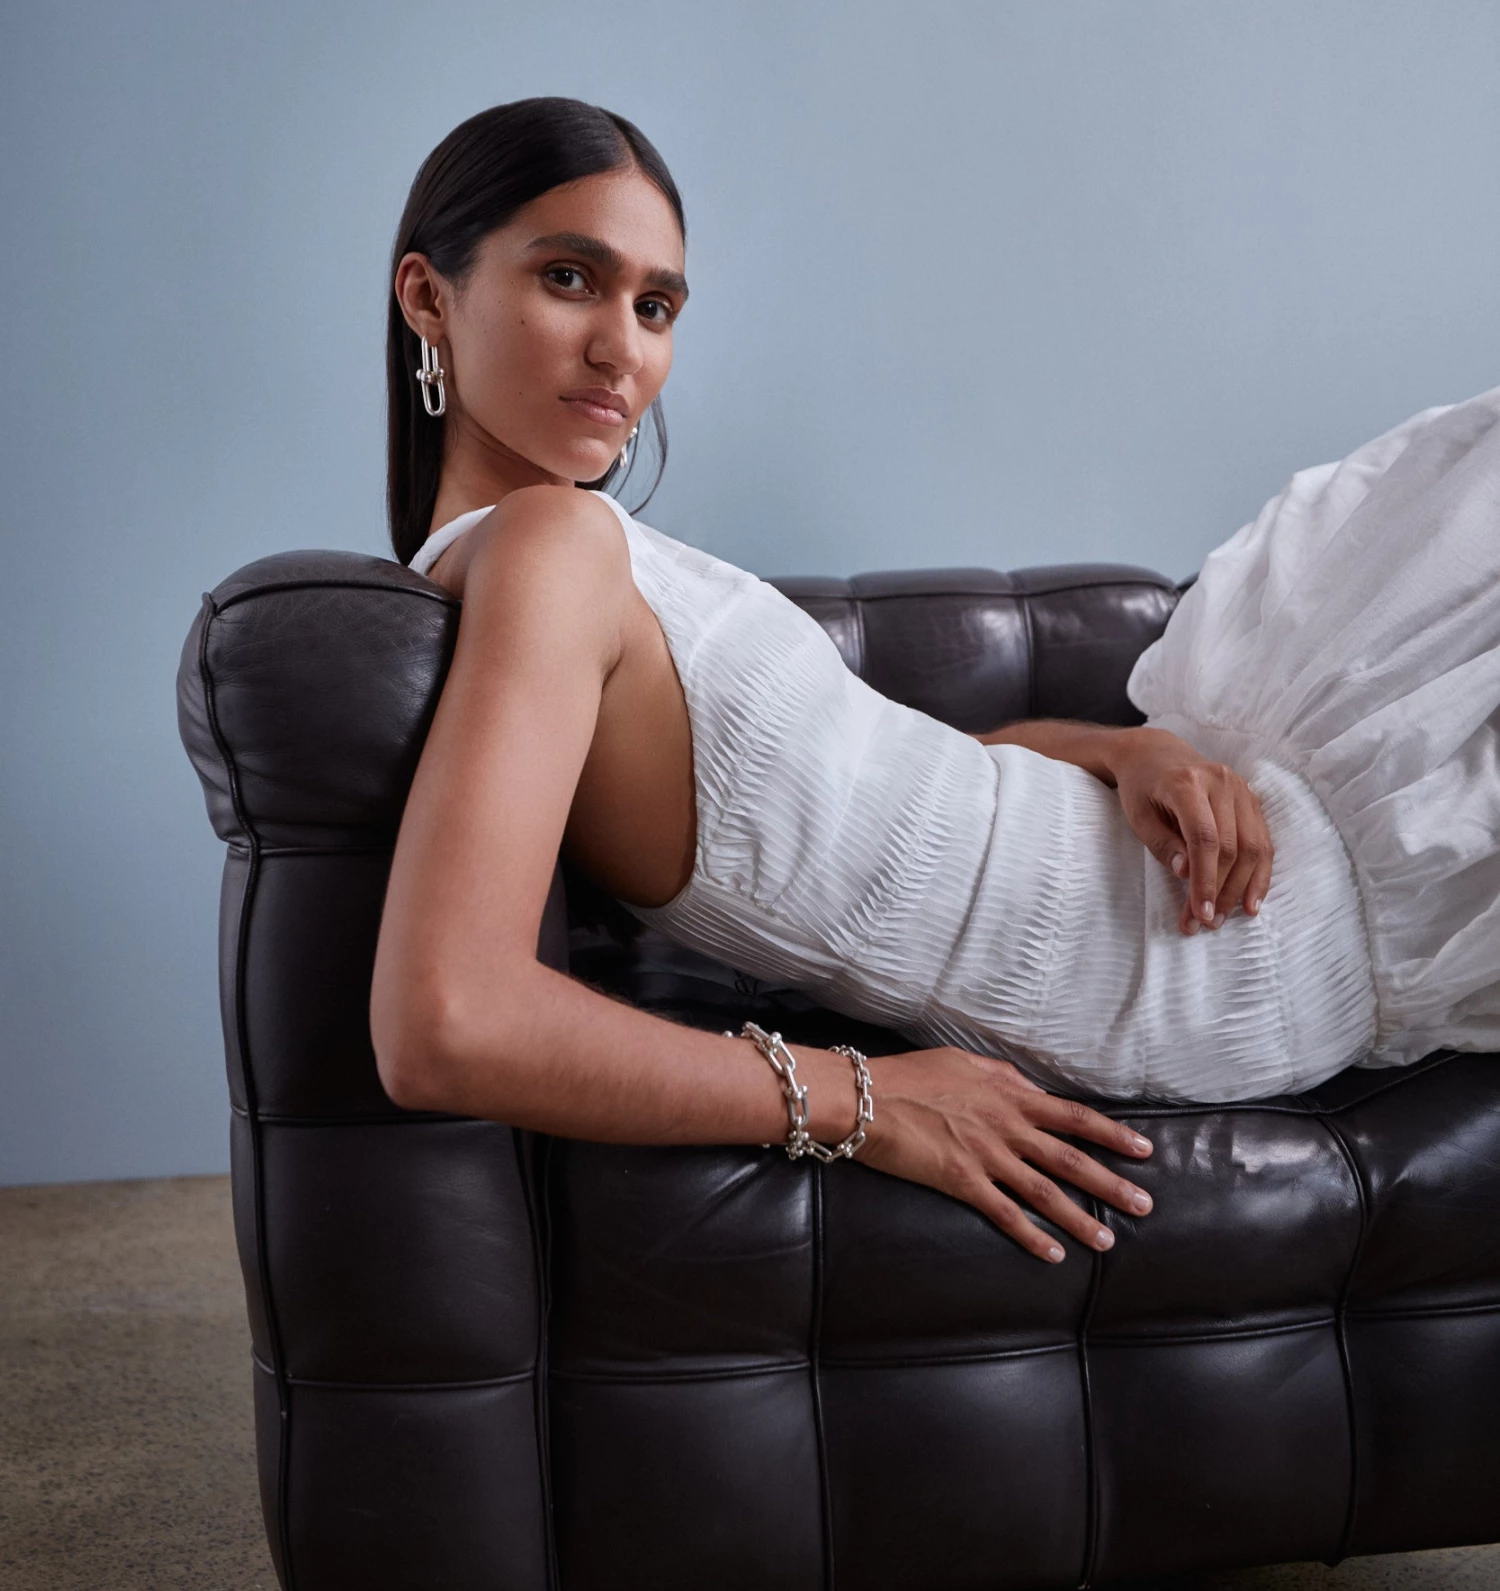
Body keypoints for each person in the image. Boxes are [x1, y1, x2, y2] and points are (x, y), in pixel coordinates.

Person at [370, 97, 1500, 1267]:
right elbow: (449, 1020)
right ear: (428, 297)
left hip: (1203, 861)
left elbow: (900, 803)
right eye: (570, 279)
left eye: (654, 307)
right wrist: (863, 1100)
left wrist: (1125, 751)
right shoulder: (545, 548)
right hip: (1219, 945)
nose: (622, 349)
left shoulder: (561, 552)